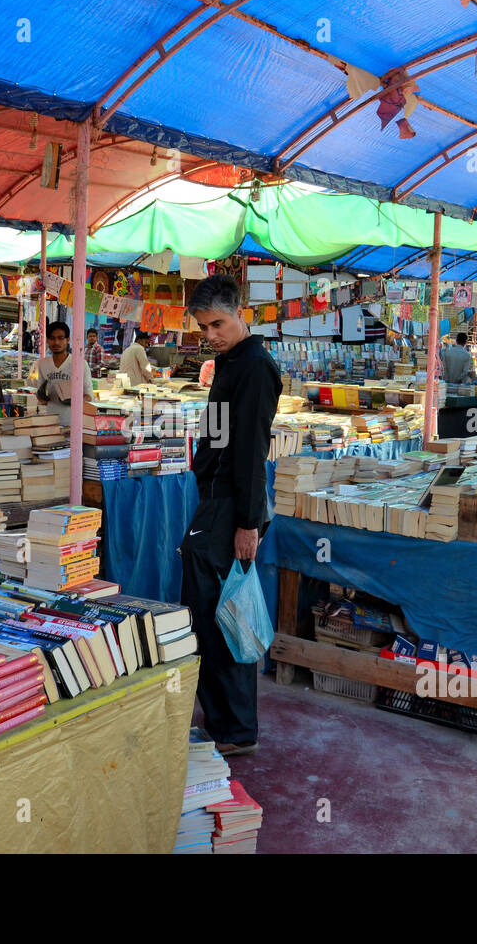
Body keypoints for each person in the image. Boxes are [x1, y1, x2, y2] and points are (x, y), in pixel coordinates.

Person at [181, 274, 281, 757]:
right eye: (203, 328)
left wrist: (247, 522)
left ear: (240, 313)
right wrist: (203, 469)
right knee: (207, 613)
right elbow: (218, 436)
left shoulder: (256, 368)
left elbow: (251, 453)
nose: (211, 334)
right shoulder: (226, 363)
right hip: (215, 499)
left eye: (218, 323)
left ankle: (235, 728)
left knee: (222, 616)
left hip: (230, 509)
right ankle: (225, 723)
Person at [31, 320, 93, 424]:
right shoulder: (42, 364)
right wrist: (41, 397)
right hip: (50, 420)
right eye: (52, 338)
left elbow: (89, 395)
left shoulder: (80, 364)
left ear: (68, 340)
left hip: (73, 422)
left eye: (60, 338)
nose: (56, 342)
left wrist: (75, 400)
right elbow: (41, 394)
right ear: (47, 340)